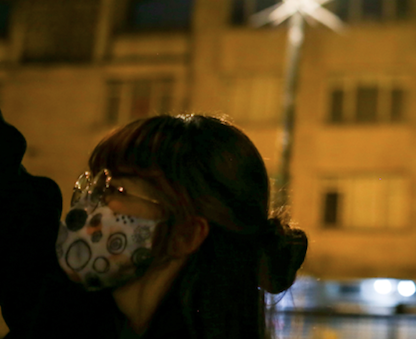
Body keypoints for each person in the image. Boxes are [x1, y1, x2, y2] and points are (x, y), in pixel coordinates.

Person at [0, 110, 307, 339]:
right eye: (91, 183)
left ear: (186, 234)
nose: (86, 202)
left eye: (114, 189)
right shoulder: (66, 315)